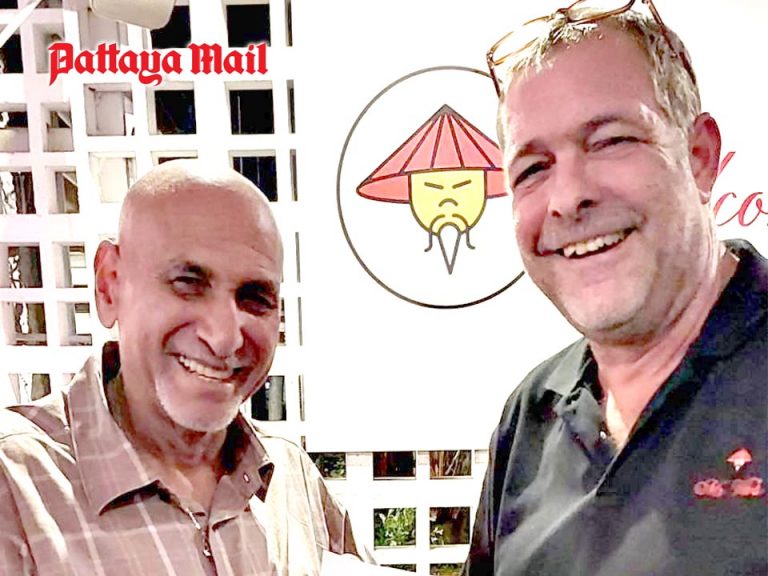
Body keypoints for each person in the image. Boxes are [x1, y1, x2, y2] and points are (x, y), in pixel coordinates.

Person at [465, 2, 767, 575]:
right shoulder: (531, 416)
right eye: (532, 169)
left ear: (699, 158)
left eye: (609, 141)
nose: (567, 197)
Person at [0, 161, 367, 575]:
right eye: (188, 284)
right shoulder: (15, 488)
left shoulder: (291, 478)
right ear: (109, 284)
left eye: (254, 297)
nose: (225, 337)